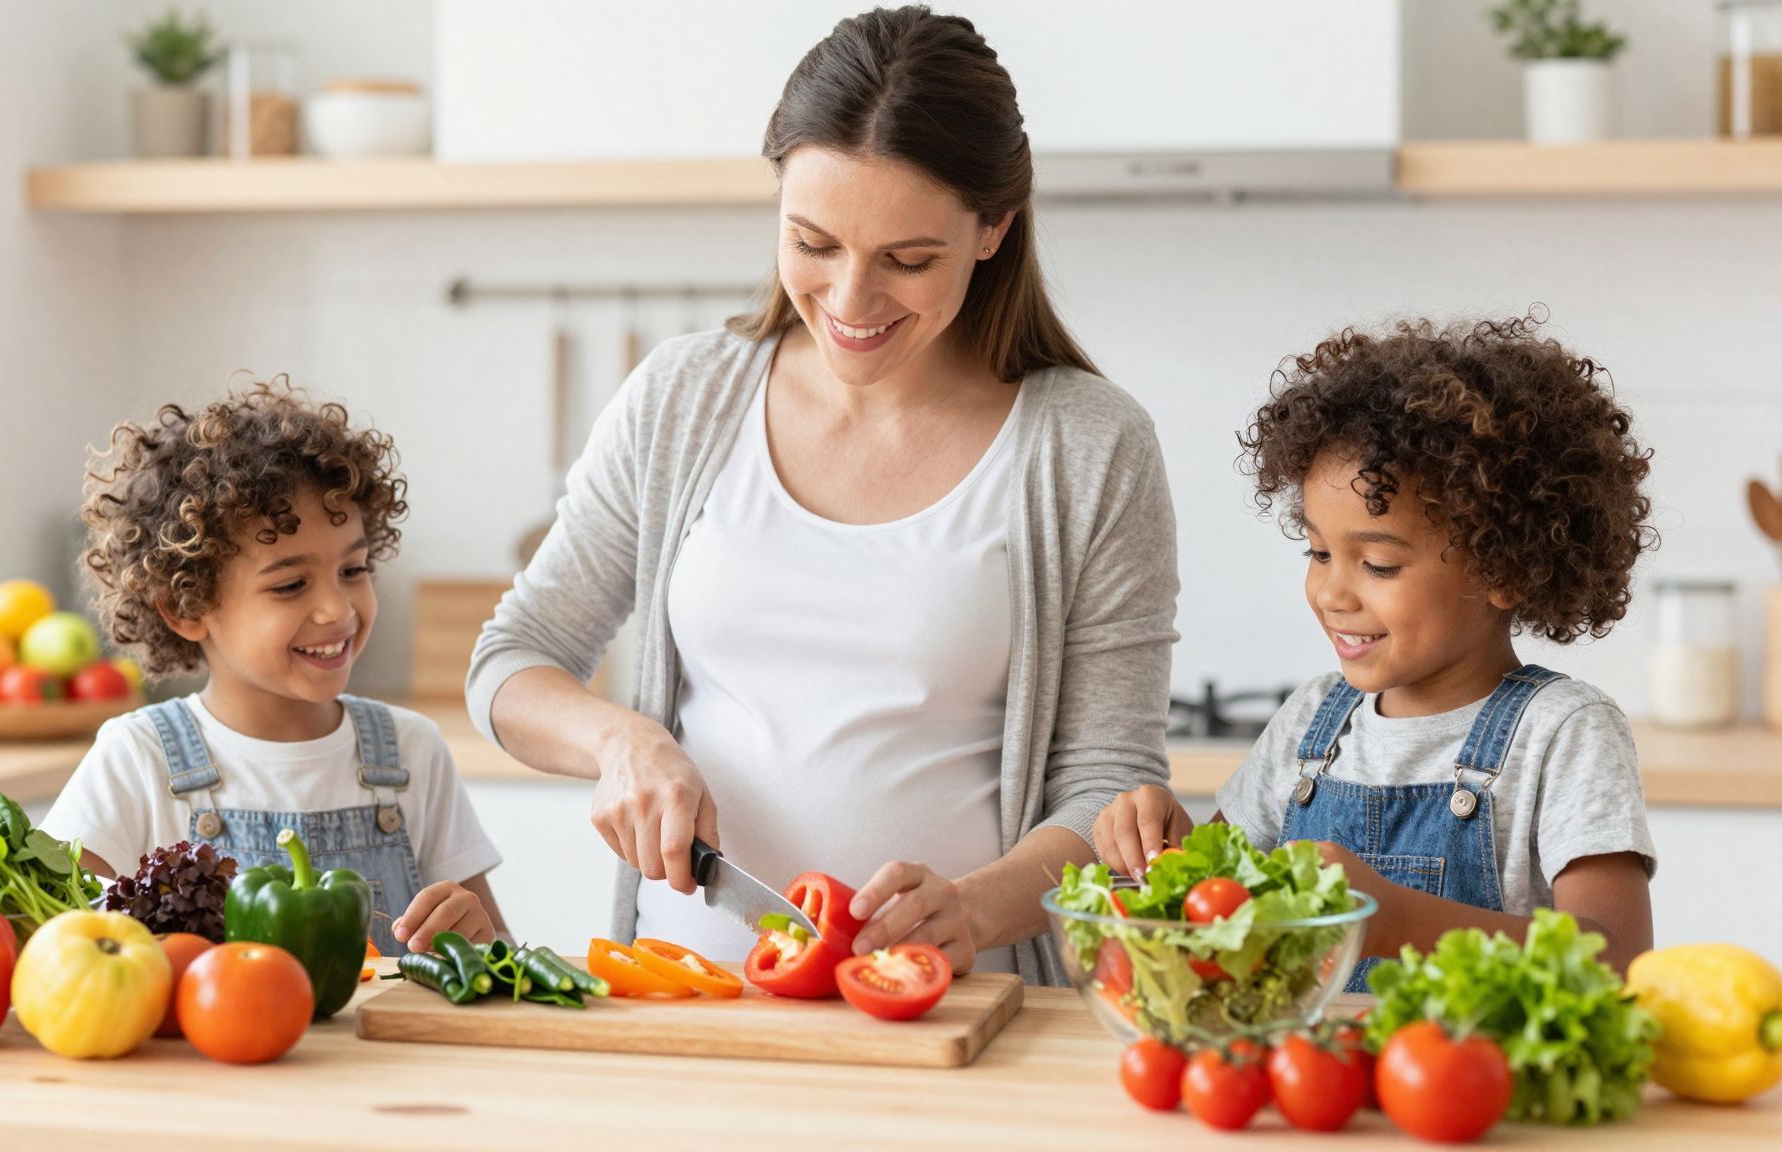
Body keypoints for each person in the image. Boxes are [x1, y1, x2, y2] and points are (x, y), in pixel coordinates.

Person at [468, 6, 1179, 982]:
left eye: (907, 260)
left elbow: (1111, 787)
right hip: (685, 1000)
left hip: (951, 1007)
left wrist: (971, 909)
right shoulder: (682, 398)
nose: (849, 301)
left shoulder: (1089, 446)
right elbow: (511, 663)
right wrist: (618, 740)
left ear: (993, 230)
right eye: (812, 242)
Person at [1093, 314, 1658, 983]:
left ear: (1504, 569)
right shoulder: (1311, 721)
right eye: (1318, 553)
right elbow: (1220, 902)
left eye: (1379, 566)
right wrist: (1165, 842)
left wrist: (1398, 922)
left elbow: (1617, 959)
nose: (1332, 592)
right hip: (1311, 1054)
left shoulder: (1562, 732)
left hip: (1466, 1054)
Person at [43, 379, 507, 956]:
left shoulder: (413, 752)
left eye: (353, 570)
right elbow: (60, 950)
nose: (338, 609)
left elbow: (496, 952)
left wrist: (477, 939)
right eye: (290, 585)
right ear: (186, 608)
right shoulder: (138, 757)